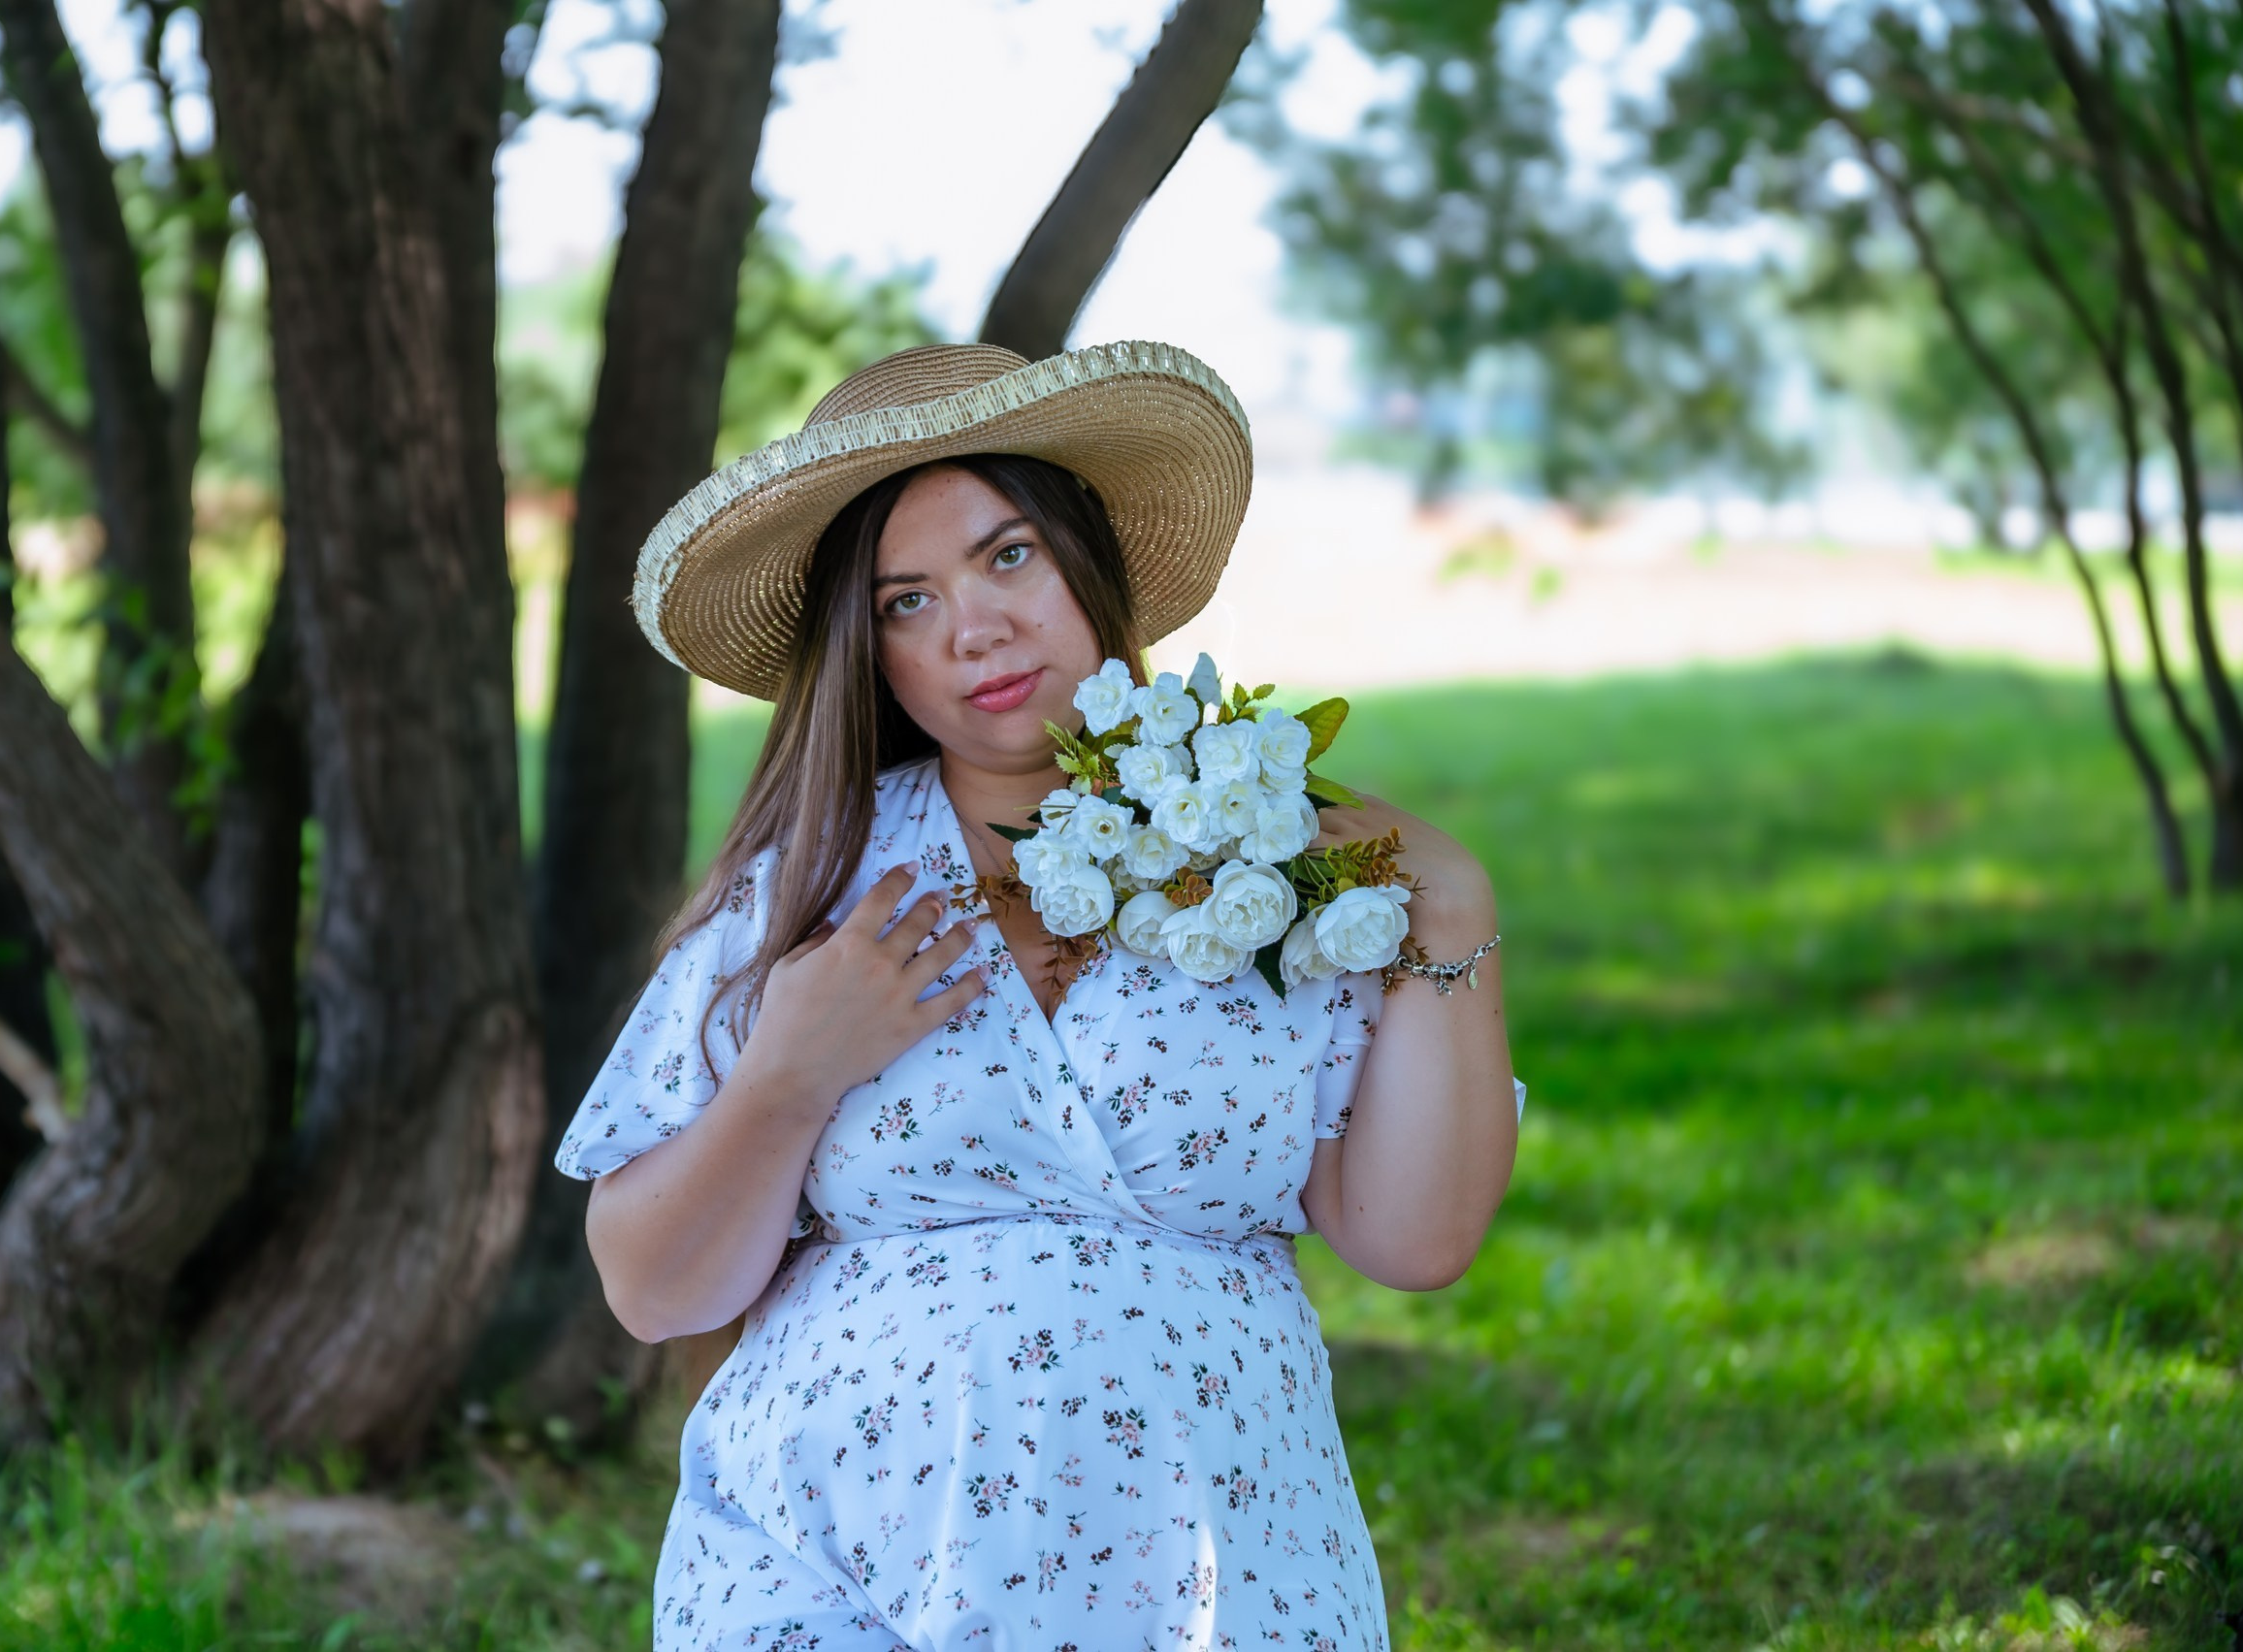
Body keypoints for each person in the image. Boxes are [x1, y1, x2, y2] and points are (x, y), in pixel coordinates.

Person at [556, 340, 1522, 1651]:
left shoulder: (1274, 871)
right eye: (906, 602)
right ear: (872, 653)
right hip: (834, 1574)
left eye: (1008, 555)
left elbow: (1413, 1241)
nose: (975, 628)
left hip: (1218, 1578)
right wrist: (791, 1073)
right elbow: (657, 1291)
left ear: (1089, 563)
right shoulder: (811, 892)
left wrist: (1448, 905)